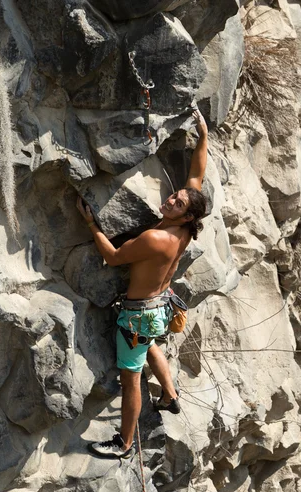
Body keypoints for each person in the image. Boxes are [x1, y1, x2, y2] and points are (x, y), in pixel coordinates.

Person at [76, 110, 208, 459]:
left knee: (130, 378)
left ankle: (124, 443)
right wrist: (203, 135)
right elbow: (197, 173)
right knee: (151, 346)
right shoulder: (185, 228)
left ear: (187, 214)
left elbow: (115, 257)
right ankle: (171, 396)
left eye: (177, 203)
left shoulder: (156, 238)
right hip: (159, 307)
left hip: (137, 318)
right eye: (174, 196)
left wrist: (92, 225)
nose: (171, 200)